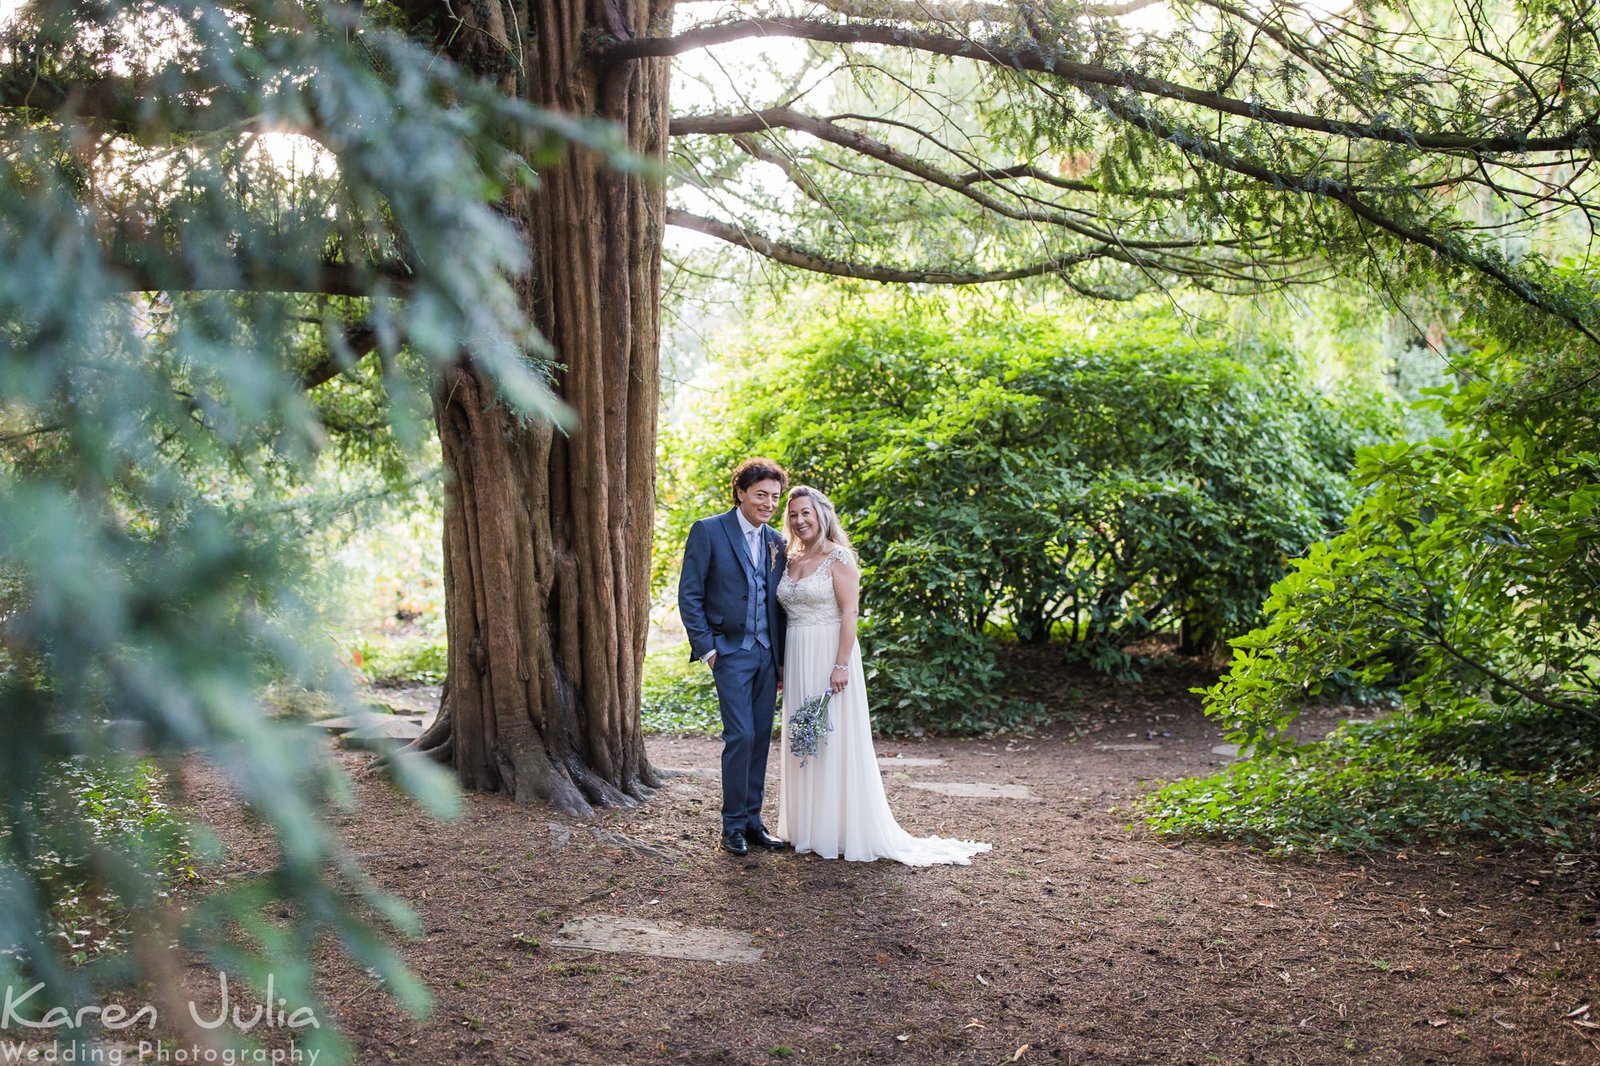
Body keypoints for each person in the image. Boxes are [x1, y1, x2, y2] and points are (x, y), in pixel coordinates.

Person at [774, 485, 990, 866]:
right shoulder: (788, 560)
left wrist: (840, 664)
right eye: (793, 514)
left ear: (822, 514)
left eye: (806, 512)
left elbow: (850, 613)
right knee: (805, 737)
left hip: (830, 655)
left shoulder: (838, 558)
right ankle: (806, 828)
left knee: (834, 738)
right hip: (797, 656)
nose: (799, 520)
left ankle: (839, 830)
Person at [677, 457, 791, 857]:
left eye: (775, 497)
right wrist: (708, 649)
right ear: (740, 492)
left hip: (766, 654)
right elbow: (690, 595)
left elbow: (778, 603)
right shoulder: (708, 531)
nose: (769, 503)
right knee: (739, 735)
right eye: (761, 494)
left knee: (760, 737)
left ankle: (754, 821)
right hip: (729, 652)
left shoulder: (778, 541)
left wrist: (780, 660)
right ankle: (731, 826)